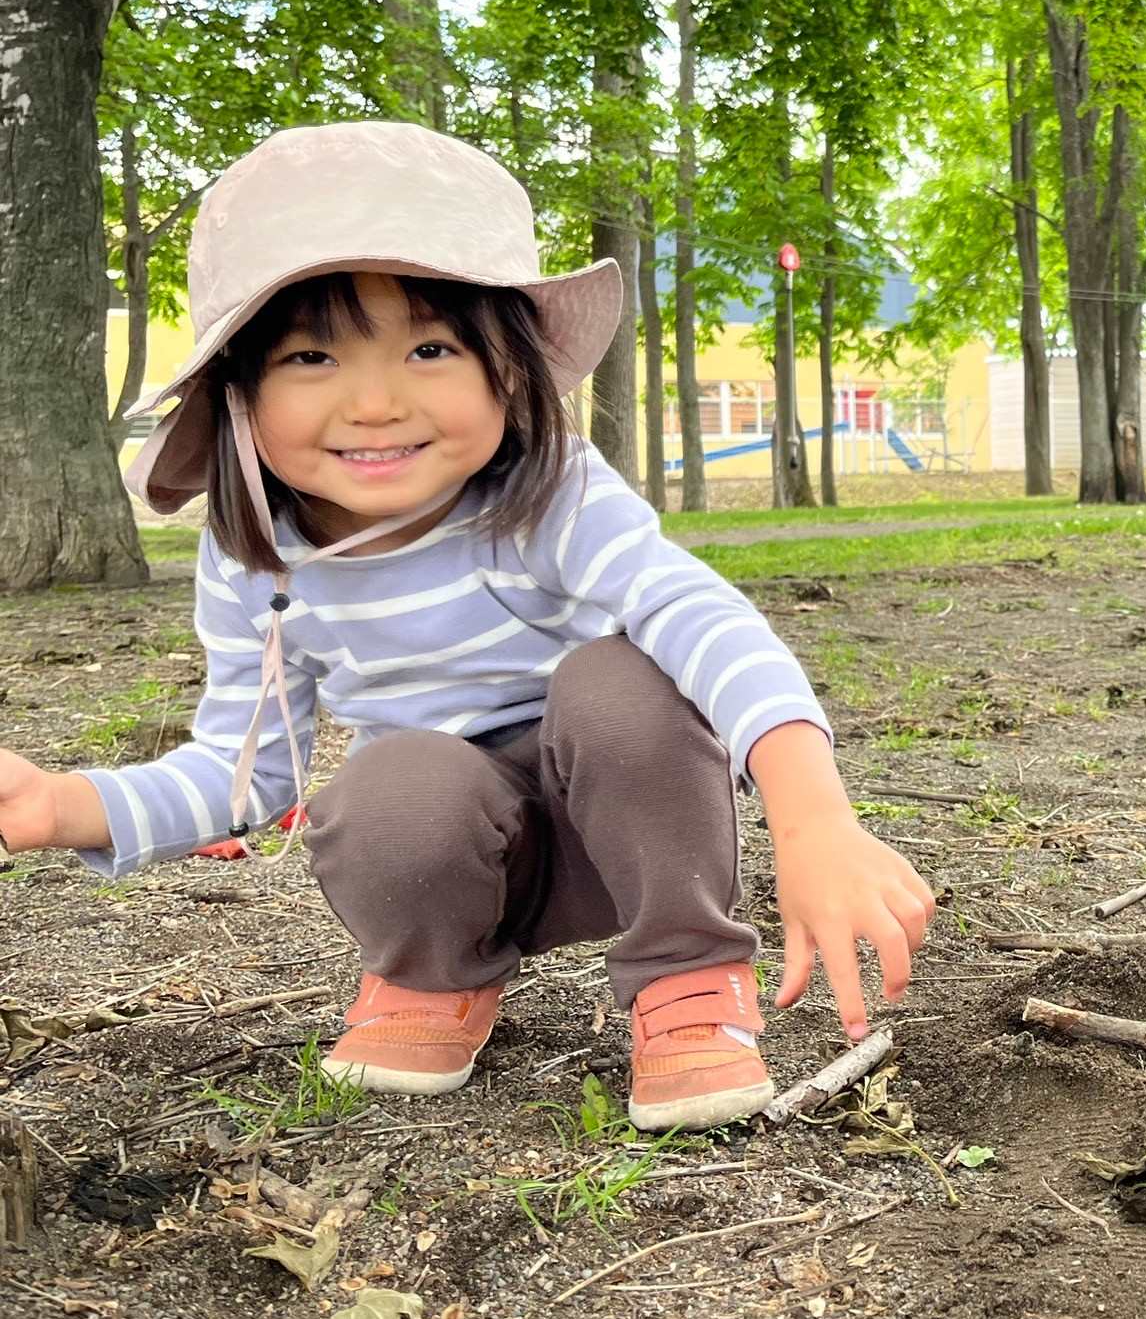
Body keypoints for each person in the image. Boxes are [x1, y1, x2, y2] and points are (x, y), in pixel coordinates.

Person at [0, 123, 934, 1132]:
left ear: (509, 368)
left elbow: (696, 613)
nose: (374, 401)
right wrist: (60, 807)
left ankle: (686, 976)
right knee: (389, 779)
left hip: (626, 830)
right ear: (239, 395)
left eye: (430, 348)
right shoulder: (256, 561)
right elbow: (242, 774)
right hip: (456, 856)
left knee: (621, 679)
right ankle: (433, 976)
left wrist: (811, 818)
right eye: (311, 355)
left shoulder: (552, 493)